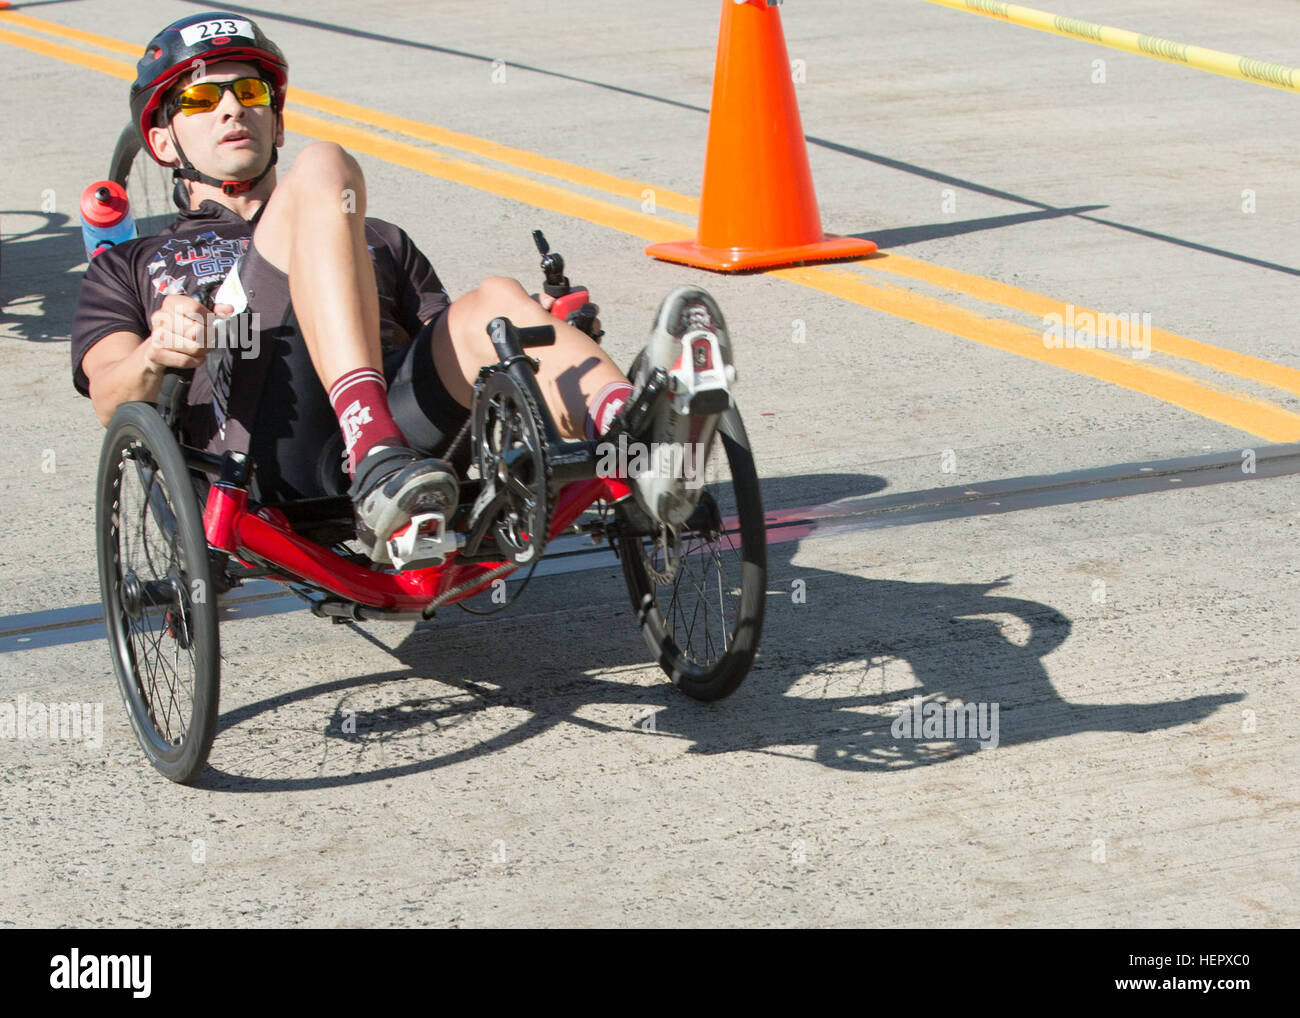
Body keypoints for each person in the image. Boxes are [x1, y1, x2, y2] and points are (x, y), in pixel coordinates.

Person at [72, 11, 734, 567]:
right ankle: (375, 454)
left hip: (408, 438)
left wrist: (550, 339)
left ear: (275, 117)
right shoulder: (134, 262)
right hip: (261, 453)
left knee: (499, 301)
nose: (228, 109)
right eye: (198, 99)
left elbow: (462, 363)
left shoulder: (376, 236)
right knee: (327, 163)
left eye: (249, 94)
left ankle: (637, 441)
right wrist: (157, 351)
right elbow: (109, 397)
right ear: (160, 141)